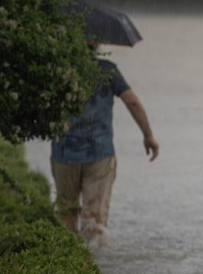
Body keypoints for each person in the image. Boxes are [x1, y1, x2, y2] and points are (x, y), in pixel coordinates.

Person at [50, 45, 158, 241]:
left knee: (66, 213)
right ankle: (97, 266)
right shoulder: (107, 70)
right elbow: (131, 101)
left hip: (64, 151)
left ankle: (68, 262)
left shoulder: (57, 68)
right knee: (95, 221)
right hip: (99, 153)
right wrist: (148, 135)